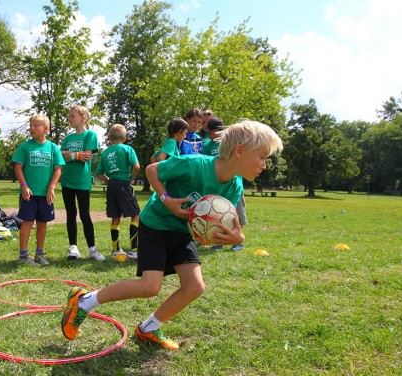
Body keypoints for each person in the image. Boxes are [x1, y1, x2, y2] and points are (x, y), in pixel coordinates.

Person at [61, 120, 283, 350]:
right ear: (239, 151)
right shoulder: (195, 164)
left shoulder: (234, 186)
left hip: (181, 232)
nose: (264, 165)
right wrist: (167, 201)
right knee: (150, 286)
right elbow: (151, 170)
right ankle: (84, 301)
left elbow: (232, 223)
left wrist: (239, 238)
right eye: (262, 156)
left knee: (194, 286)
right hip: (156, 224)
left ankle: (148, 328)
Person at [11, 113, 64, 266]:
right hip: (29, 194)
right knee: (27, 222)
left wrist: (51, 188)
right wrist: (24, 186)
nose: (32, 128)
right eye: (31, 125)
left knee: (42, 223)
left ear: (45, 128)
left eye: (36, 125)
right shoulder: (25, 146)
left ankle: (39, 254)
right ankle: (23, 256)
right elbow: (18, 167)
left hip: (45, 194)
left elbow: (58, 169)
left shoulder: (53, 148)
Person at [59, 105, 105, 261]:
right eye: (69, 116)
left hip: (82, 182)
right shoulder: (67, 138)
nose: (69, 118)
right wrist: (75, 155)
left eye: (73, 116)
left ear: (83, 118)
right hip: (66, 181)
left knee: (85, 215)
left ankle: (92, 249)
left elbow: (86, 156)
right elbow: (60, 155)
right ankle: (73, 248)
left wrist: (70, 154)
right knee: (70, 214)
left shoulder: (90, 135)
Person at [201, 117, 248, 251]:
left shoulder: (229, 145)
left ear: (222, 131)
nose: (212, 135)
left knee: (237, 212)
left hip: (234, 184)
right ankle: (219, 242)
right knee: (218, 213)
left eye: (215, 132)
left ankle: (237, 241)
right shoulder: (207, 146)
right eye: (210, 133)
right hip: (218, 185)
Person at [95, 124, 141, 259]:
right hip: (124, 184)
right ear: (125, 138)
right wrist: (131, 179)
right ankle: (134, 249)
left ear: (109, 138)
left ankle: (115, 250)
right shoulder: (127, 149)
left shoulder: (105, 152)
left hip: (112, 186)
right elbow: (136, 166)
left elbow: (99, 173)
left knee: (116, 217)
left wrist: (110, 181)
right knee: (135, 215)